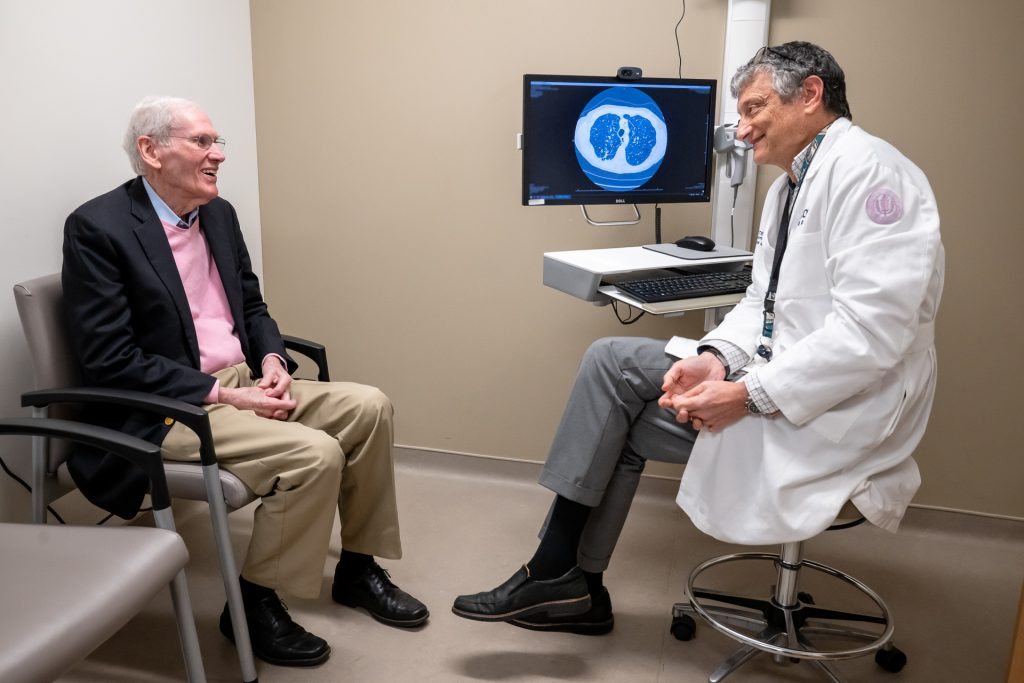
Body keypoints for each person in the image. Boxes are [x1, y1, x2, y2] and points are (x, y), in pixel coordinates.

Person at [452, 41, 942, 633]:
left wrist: (748, 393)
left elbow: (872, 336)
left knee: (623, 420)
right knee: (611, 361)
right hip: (786, 379)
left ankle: (561, 578)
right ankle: (565, 580)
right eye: (740, 114)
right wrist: (714, 358)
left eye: (755, 108)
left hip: (839, 414)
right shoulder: (790, 188)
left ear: (810, 95)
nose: (742, 129)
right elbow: (762, 303)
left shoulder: (872, 176)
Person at [62, 96, 429, 668]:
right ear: (150, 151)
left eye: (218, 142)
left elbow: (252, 307)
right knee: (314, 454)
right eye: (202, 143)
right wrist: (225, 395)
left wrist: (274, 363)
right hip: (165, 408)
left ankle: (358, 568)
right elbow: (110, 359)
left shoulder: (219, 215)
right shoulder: (98, 228)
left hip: (240, 382)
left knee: (369, 405)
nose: (218, 155)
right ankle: (252, 605)